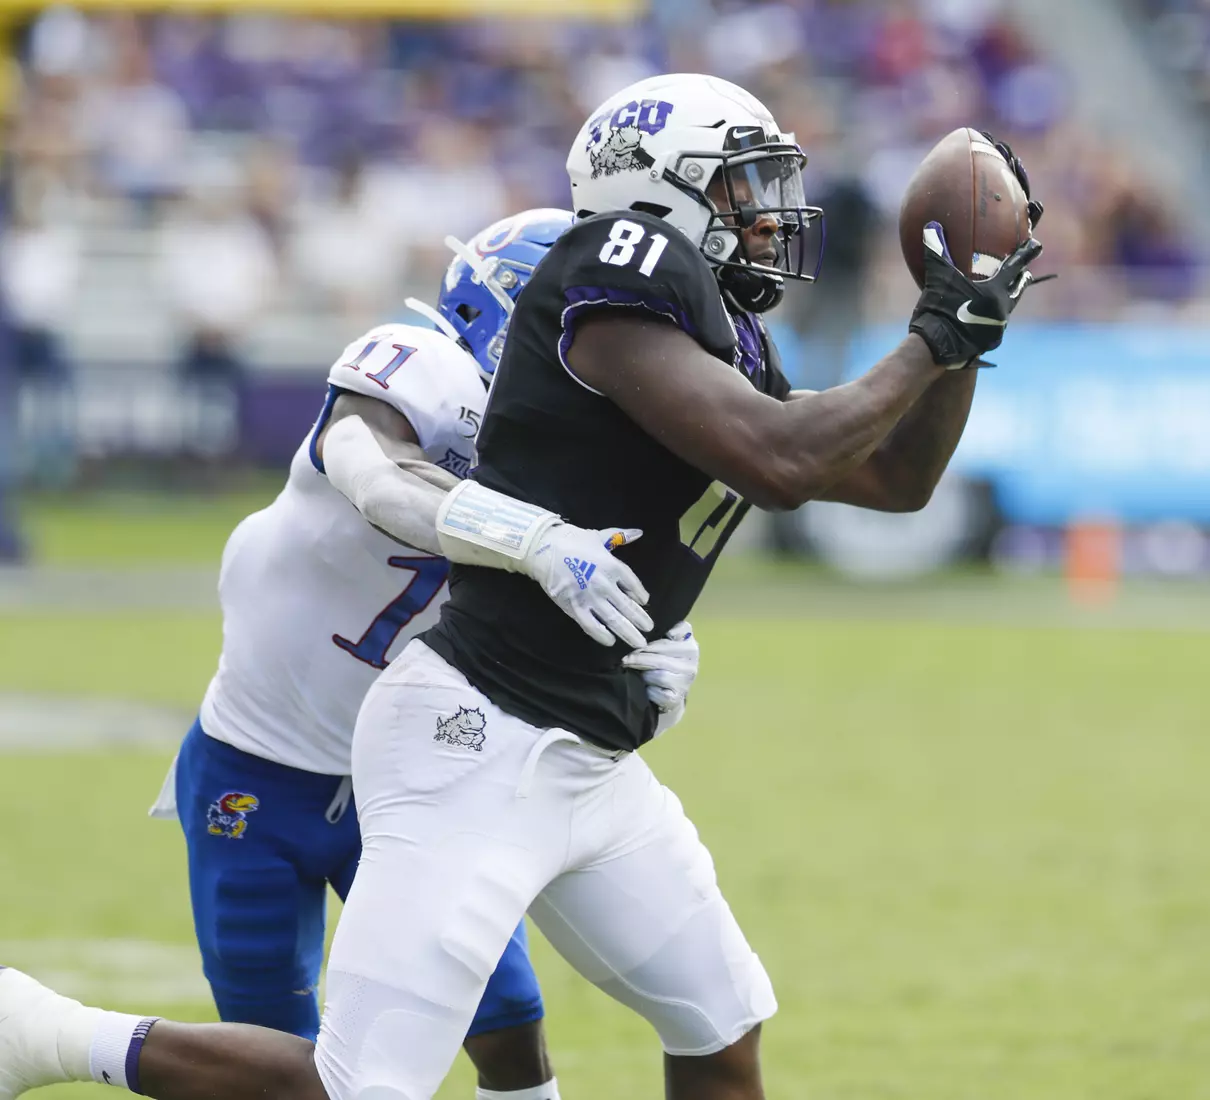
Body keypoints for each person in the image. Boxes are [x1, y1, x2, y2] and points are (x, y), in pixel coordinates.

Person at [0, 75, 1043, 1100]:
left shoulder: (710, 344)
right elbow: (390, 473)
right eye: (740, 187)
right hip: (457, 740)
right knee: (358, 1084)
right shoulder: (586, 279)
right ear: (656, 191)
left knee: (715, 1024)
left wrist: (964, 333)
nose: (767, 218)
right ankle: (45, 1033)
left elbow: (890, 478)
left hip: (586, 751)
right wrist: (534, 539)